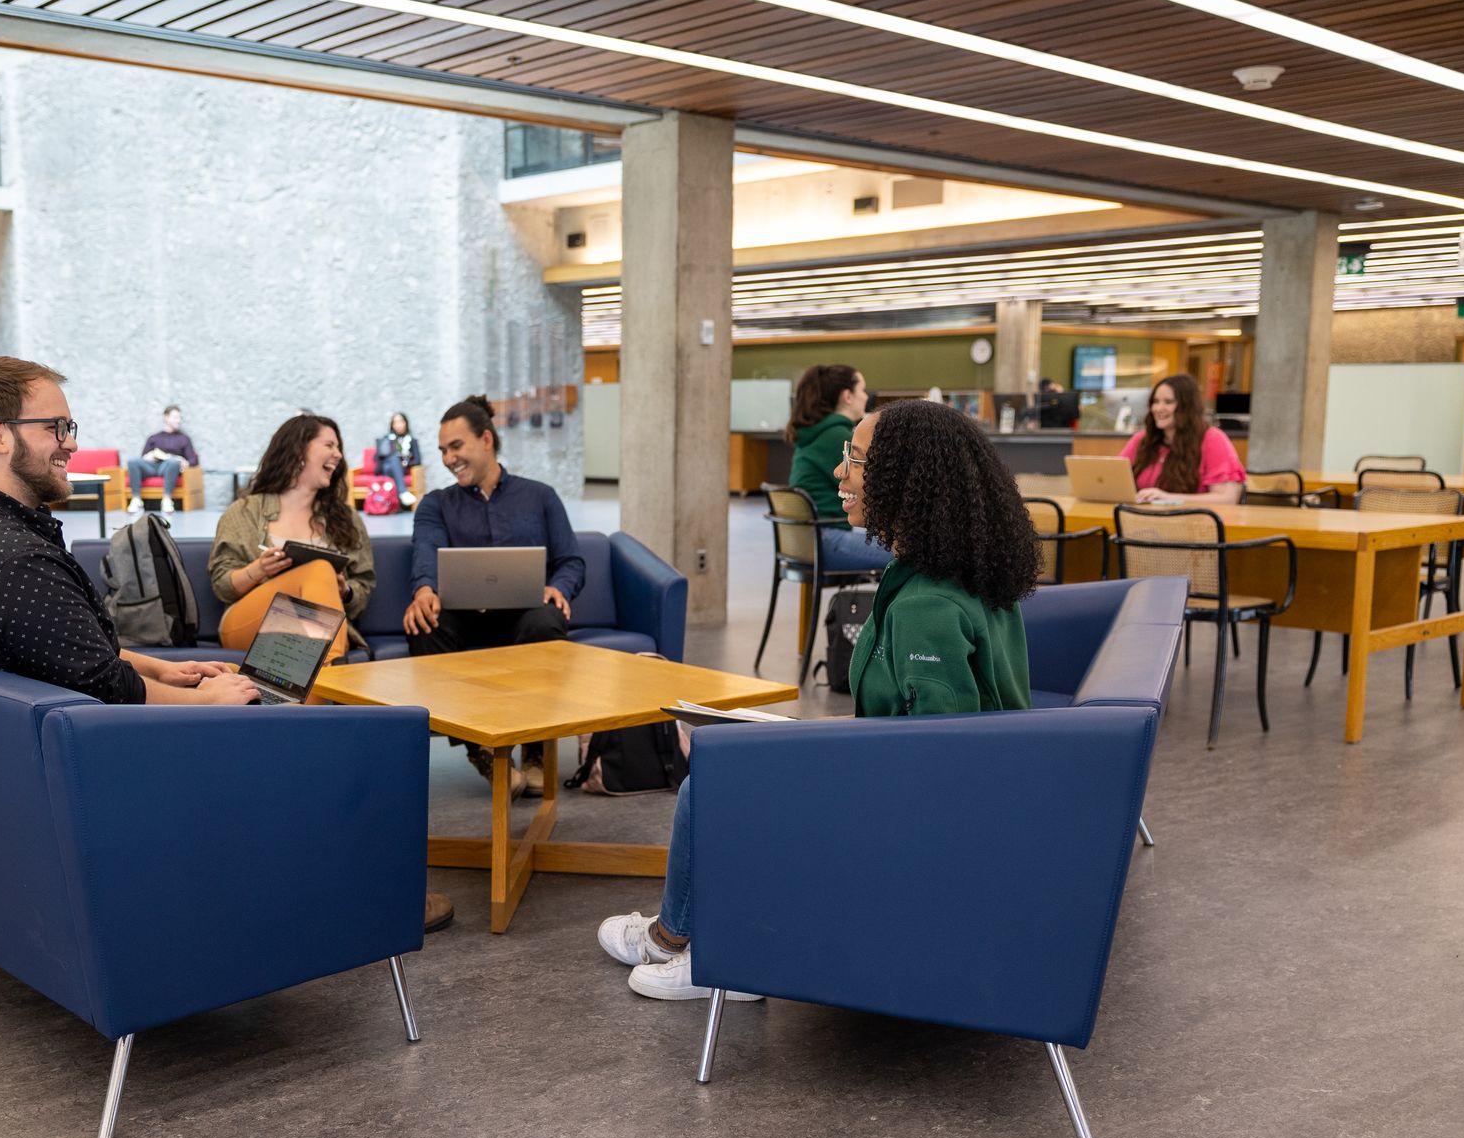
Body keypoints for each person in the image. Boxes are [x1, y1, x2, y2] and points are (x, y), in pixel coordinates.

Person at [597, 399, 1040, 1001]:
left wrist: (802, 760)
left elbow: (937, 765)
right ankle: (703, 936)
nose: (839, 474)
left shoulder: (926, 609)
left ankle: (702, 946)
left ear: (903, 481)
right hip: (976, 797)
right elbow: (916, 729)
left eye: (854, 461)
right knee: (736, 752)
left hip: (935, 822)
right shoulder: (956, 575)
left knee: (715, 783)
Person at [0, 357, 257, 707]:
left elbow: (67, 649)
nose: (72, 444)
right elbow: (105, 686)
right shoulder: (18, 561)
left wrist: (161, 670)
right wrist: (208, 701)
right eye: (55, 428)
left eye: (69, 427)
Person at [405, 394, 584, 797]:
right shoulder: (436, 504)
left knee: (547, 619)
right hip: (463, 616)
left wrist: (559, 587)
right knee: (423, 626)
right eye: (443, 451)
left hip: (523, 613)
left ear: (486, 440)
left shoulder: (540, 496)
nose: (448, 459)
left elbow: (571, 560)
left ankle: (536, 752)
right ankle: (482, 749)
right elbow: (425, 554)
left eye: (456, 447)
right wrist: (424, 590)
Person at [209, 412, 375, 666]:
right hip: (249, 623)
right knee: (320, 569)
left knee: (320, 583)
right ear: (298, 452)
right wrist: (258, 569)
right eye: (329, 445)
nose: (339, 454)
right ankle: (333, 677)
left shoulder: (347, 519)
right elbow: (222, 584)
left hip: (318, 631)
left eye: (339, 447)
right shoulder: (245, 511)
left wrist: (345, 590)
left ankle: (321, 683)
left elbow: (363, 587)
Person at [785, 364, 891, 572]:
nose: (865, 397)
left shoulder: (815, 431)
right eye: (861, 389)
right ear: (847, 396)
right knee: (907, 553)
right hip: (824, 539)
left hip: (804, 539)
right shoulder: (836, 437)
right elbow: (875, 488)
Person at [1120, 374, 1245, 505]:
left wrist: (1168, 498)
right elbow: (1114, 478)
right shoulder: (1142, 439)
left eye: (1168, 402)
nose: (1158, 408)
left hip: (1193, 522)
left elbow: (1227, 499)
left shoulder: (1212, 439)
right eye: (1155, 402)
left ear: (1187, 407)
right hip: (1142, 521)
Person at [126, 404, 200, 514]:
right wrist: (148, 456)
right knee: (132, 461)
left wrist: (185, 462)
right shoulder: (154, 437)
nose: (178, 420)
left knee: (174, 461)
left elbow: (193, 460)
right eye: (175, 417)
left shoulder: (184, 439)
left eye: (180, 418)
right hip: (152, 467)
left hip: (169, 468)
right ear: (166, 418)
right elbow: (143, 456)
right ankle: (136, 499)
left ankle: (166, 499)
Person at [375, 412, 422, 508]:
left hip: (402, 468)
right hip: (386, 467)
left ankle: (392, 503)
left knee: (393, 461)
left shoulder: (412, 441)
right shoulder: (387, 439)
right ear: (392, 425)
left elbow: (417, 460)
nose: (398, 425)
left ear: (406, 423)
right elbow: (379, 457)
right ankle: (402, 492)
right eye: (395, 422)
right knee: (394, 457)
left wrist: (406, 464)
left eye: (401, 422)